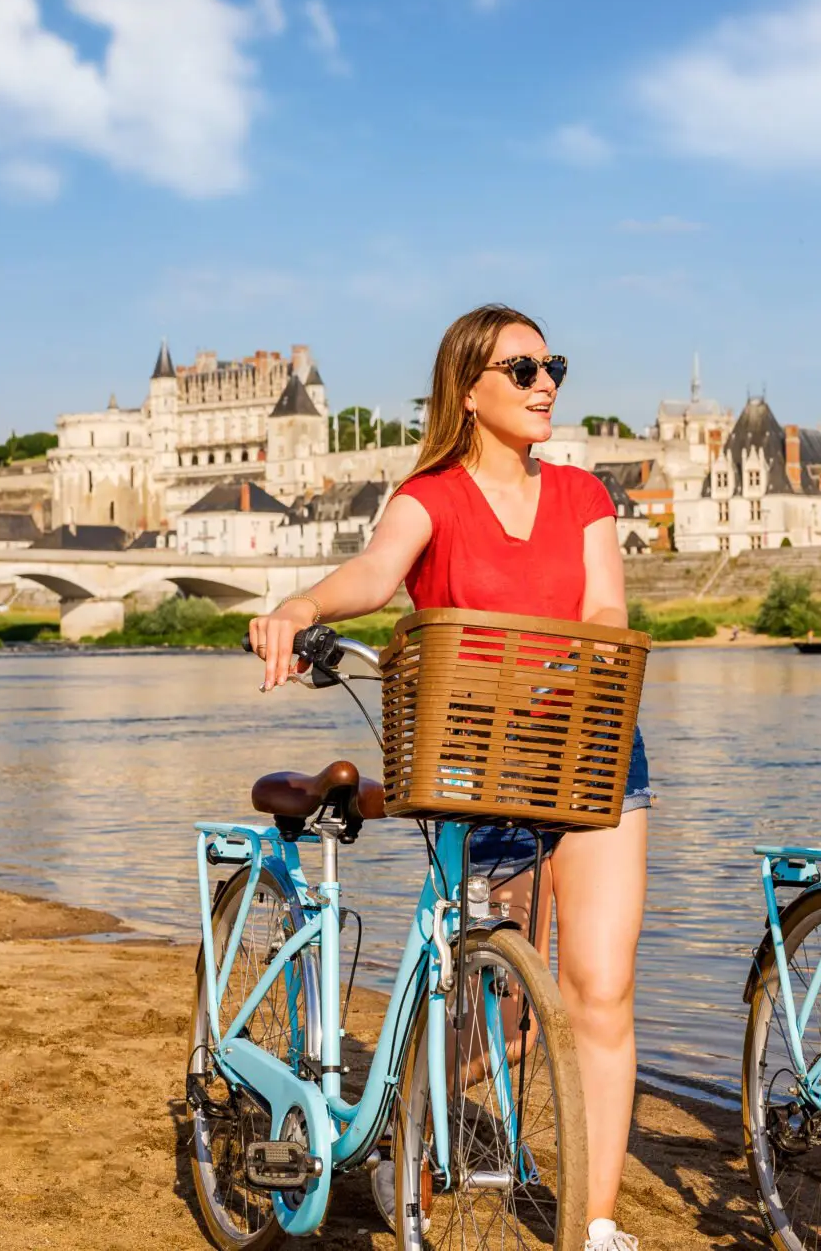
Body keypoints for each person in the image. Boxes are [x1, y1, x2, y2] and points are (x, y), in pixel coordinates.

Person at [249, 304, 653, 1251]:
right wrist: (302, 602)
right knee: (500, 1001)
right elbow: (377, 571)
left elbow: (604, 608)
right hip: (475, 758)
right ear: (468, 391)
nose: (545, 380)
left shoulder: (586, 497)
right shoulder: (431, 494)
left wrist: (561, 665)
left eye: (553, 363)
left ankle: (597, 1225)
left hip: (593, 750)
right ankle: (407, 1122)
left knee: (601, 989)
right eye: (521, 369)